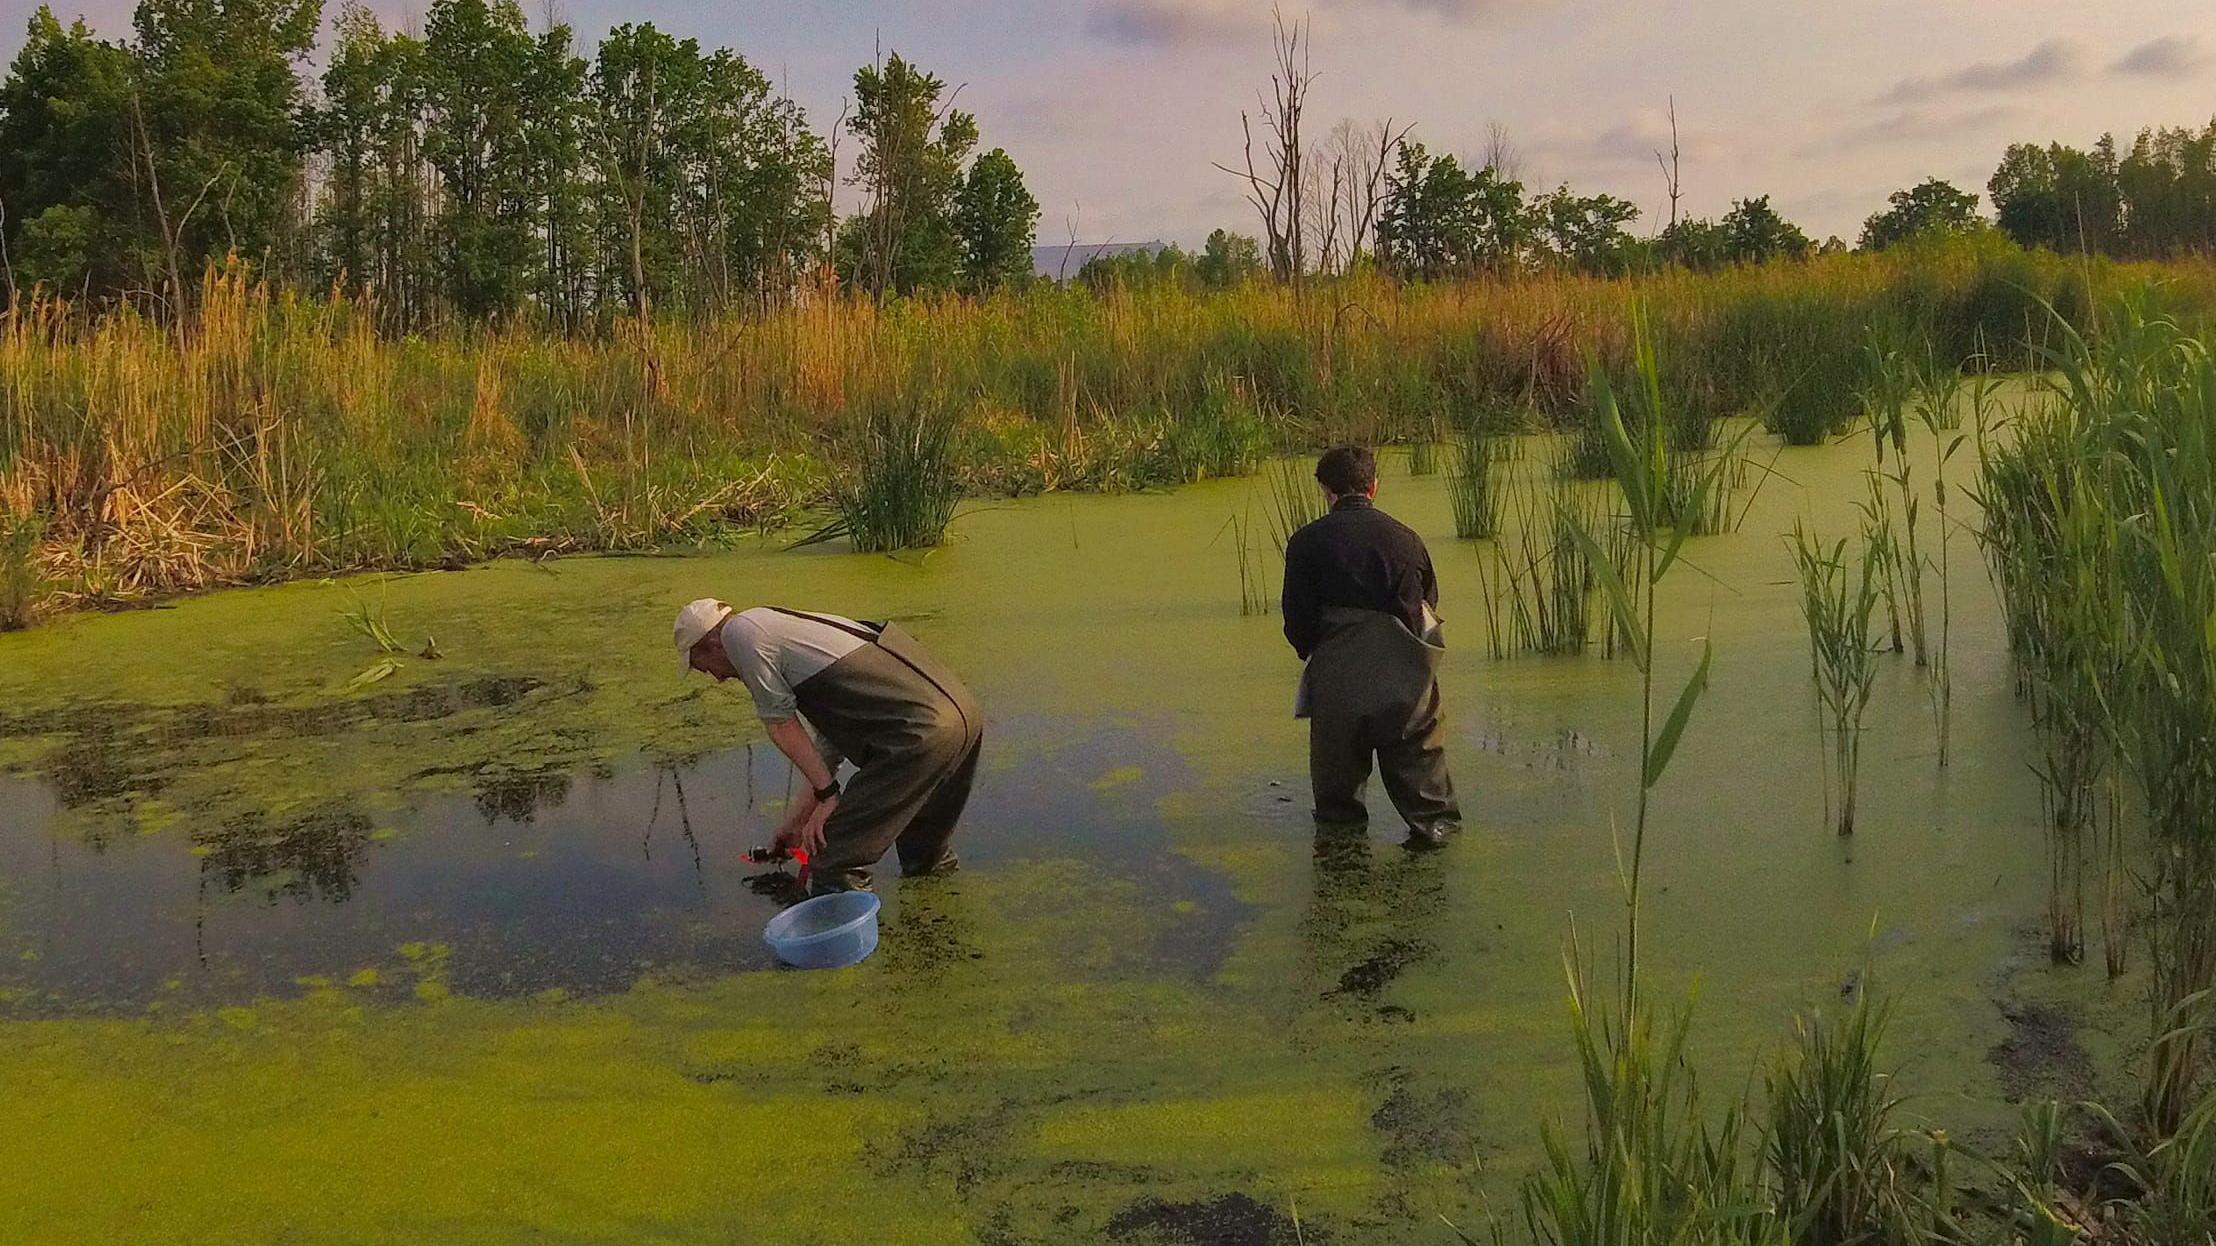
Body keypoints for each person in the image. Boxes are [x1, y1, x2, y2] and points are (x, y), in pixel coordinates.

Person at [674, 600, 983, 893]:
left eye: (703, 667)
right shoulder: (787, 633)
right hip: (961, 719)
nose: (715, 679)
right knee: (925, 856)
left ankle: (850, 948)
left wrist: (829, 797)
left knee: (833, 861)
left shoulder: (739, 633)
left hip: (919, 737)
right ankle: (941, 937)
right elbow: (829, 745)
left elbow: (780, 723)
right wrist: (796, 822)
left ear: (711, 644)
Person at [1280, 445, 1462, 848]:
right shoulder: (1407, 540)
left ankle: (1344, 878)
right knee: (1435, 818)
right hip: (1407, 685)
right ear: (1374, 486)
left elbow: (1298, 624)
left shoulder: (1306, 544)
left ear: (1326, 490)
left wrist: (1324, 656)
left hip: (1338, 685)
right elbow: (1427, 605)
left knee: (1337, 816)